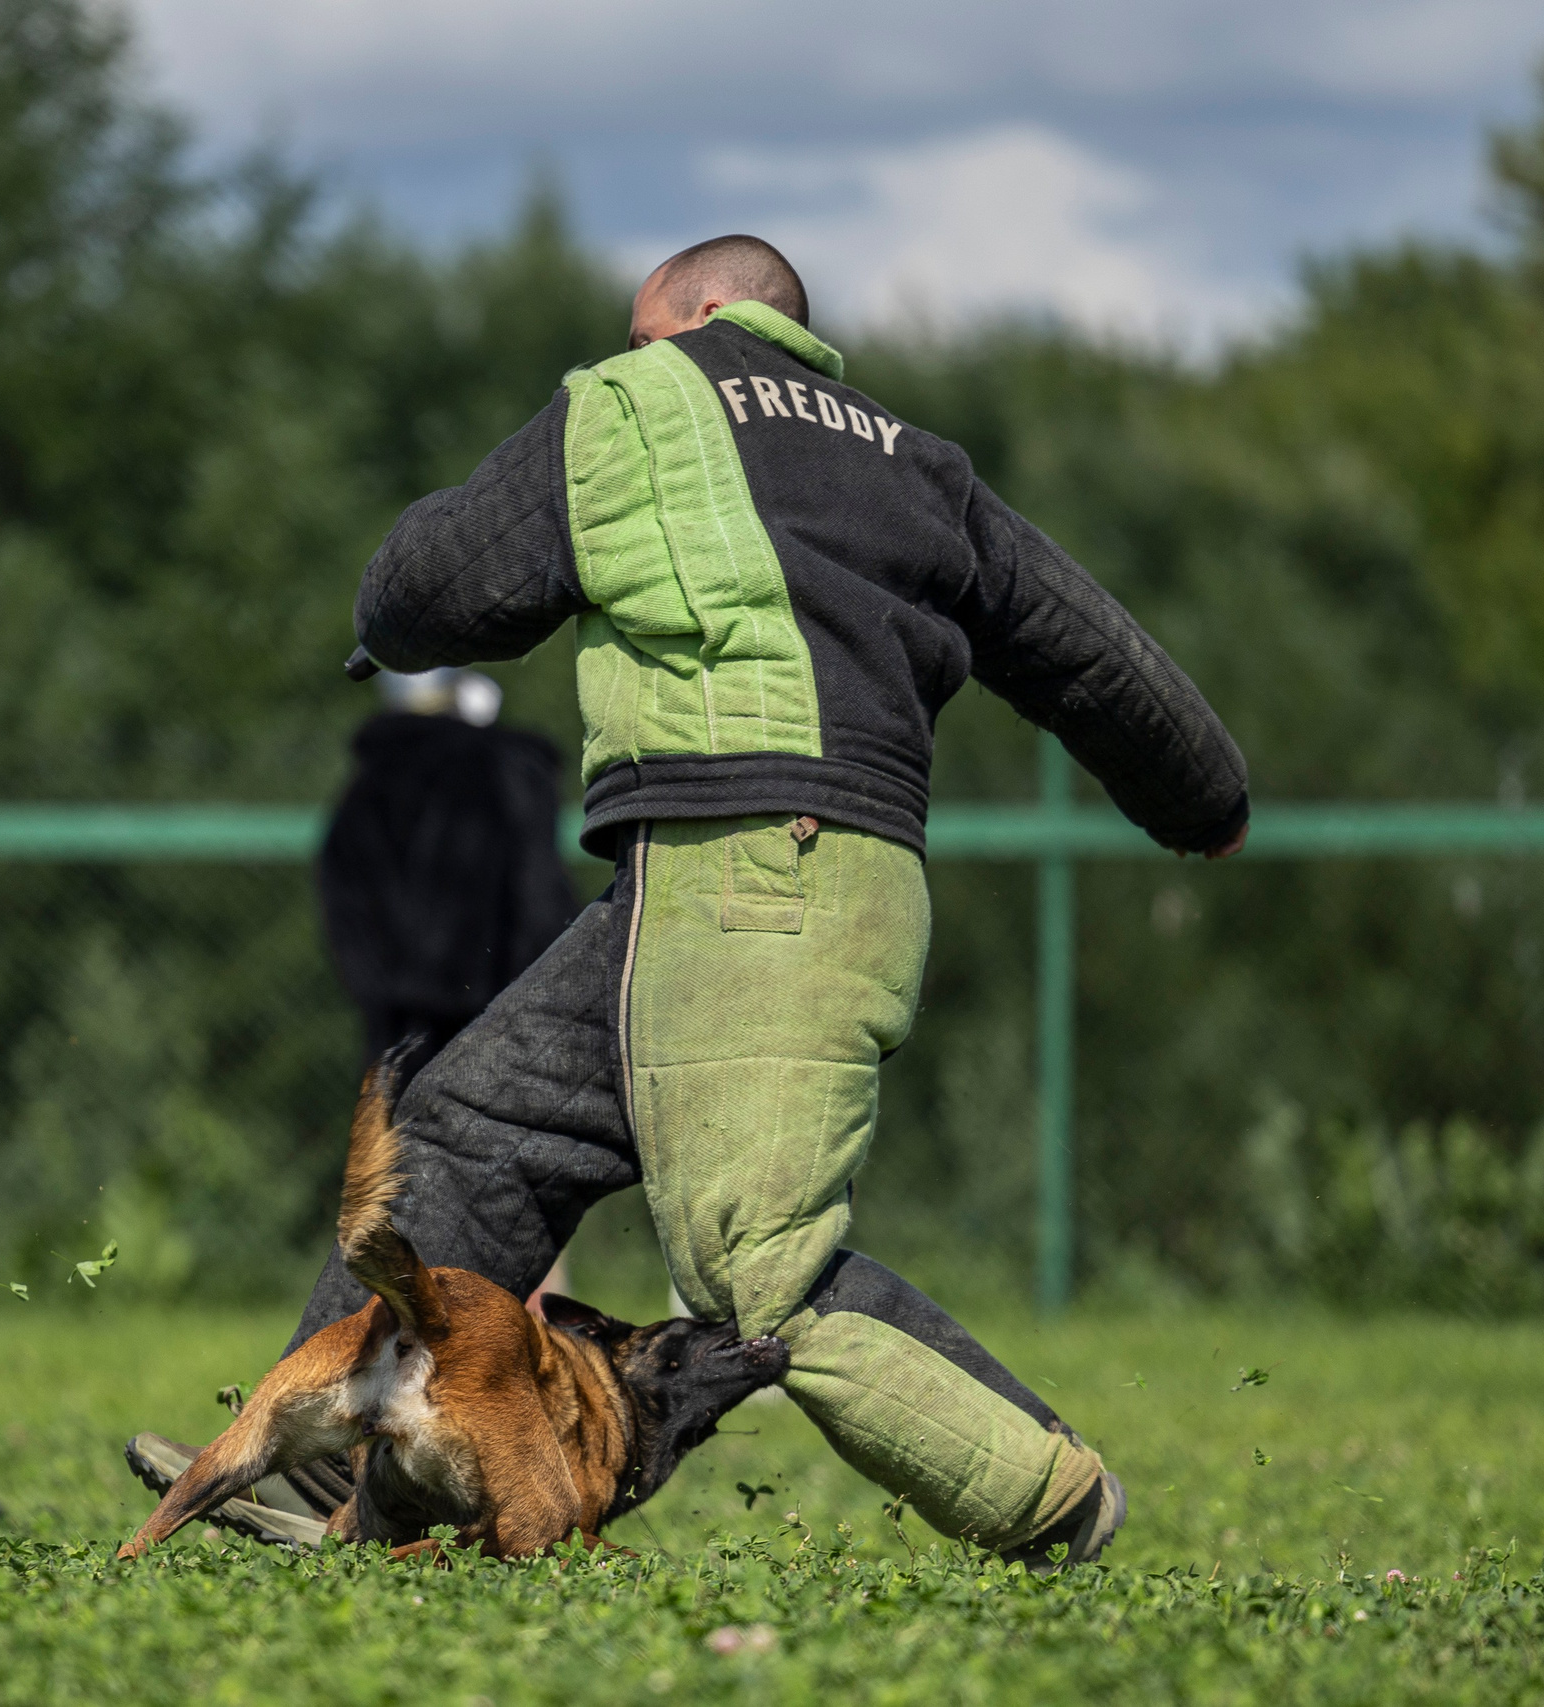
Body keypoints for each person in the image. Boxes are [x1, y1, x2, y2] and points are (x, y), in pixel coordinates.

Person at [278, 236, 1247, 1564]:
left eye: (642, 333)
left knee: (763, 1272)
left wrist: (382, 632)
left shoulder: (635, 404)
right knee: (470, 1136)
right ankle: (319, 1475)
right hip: (763, 887)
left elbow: (438, 581)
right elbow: (1085, 646)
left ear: (700, 316)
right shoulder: (915, 459)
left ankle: (1050, 1498)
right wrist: (1204, 799)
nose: (632, 355)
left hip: (745, 872)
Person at [316, 665, 575, 1089]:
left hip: (400, 1032)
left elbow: (347, 911)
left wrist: (386, 996)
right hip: (514, 1020)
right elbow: (540, 894)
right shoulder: (508, 770)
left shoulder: (365, 786)